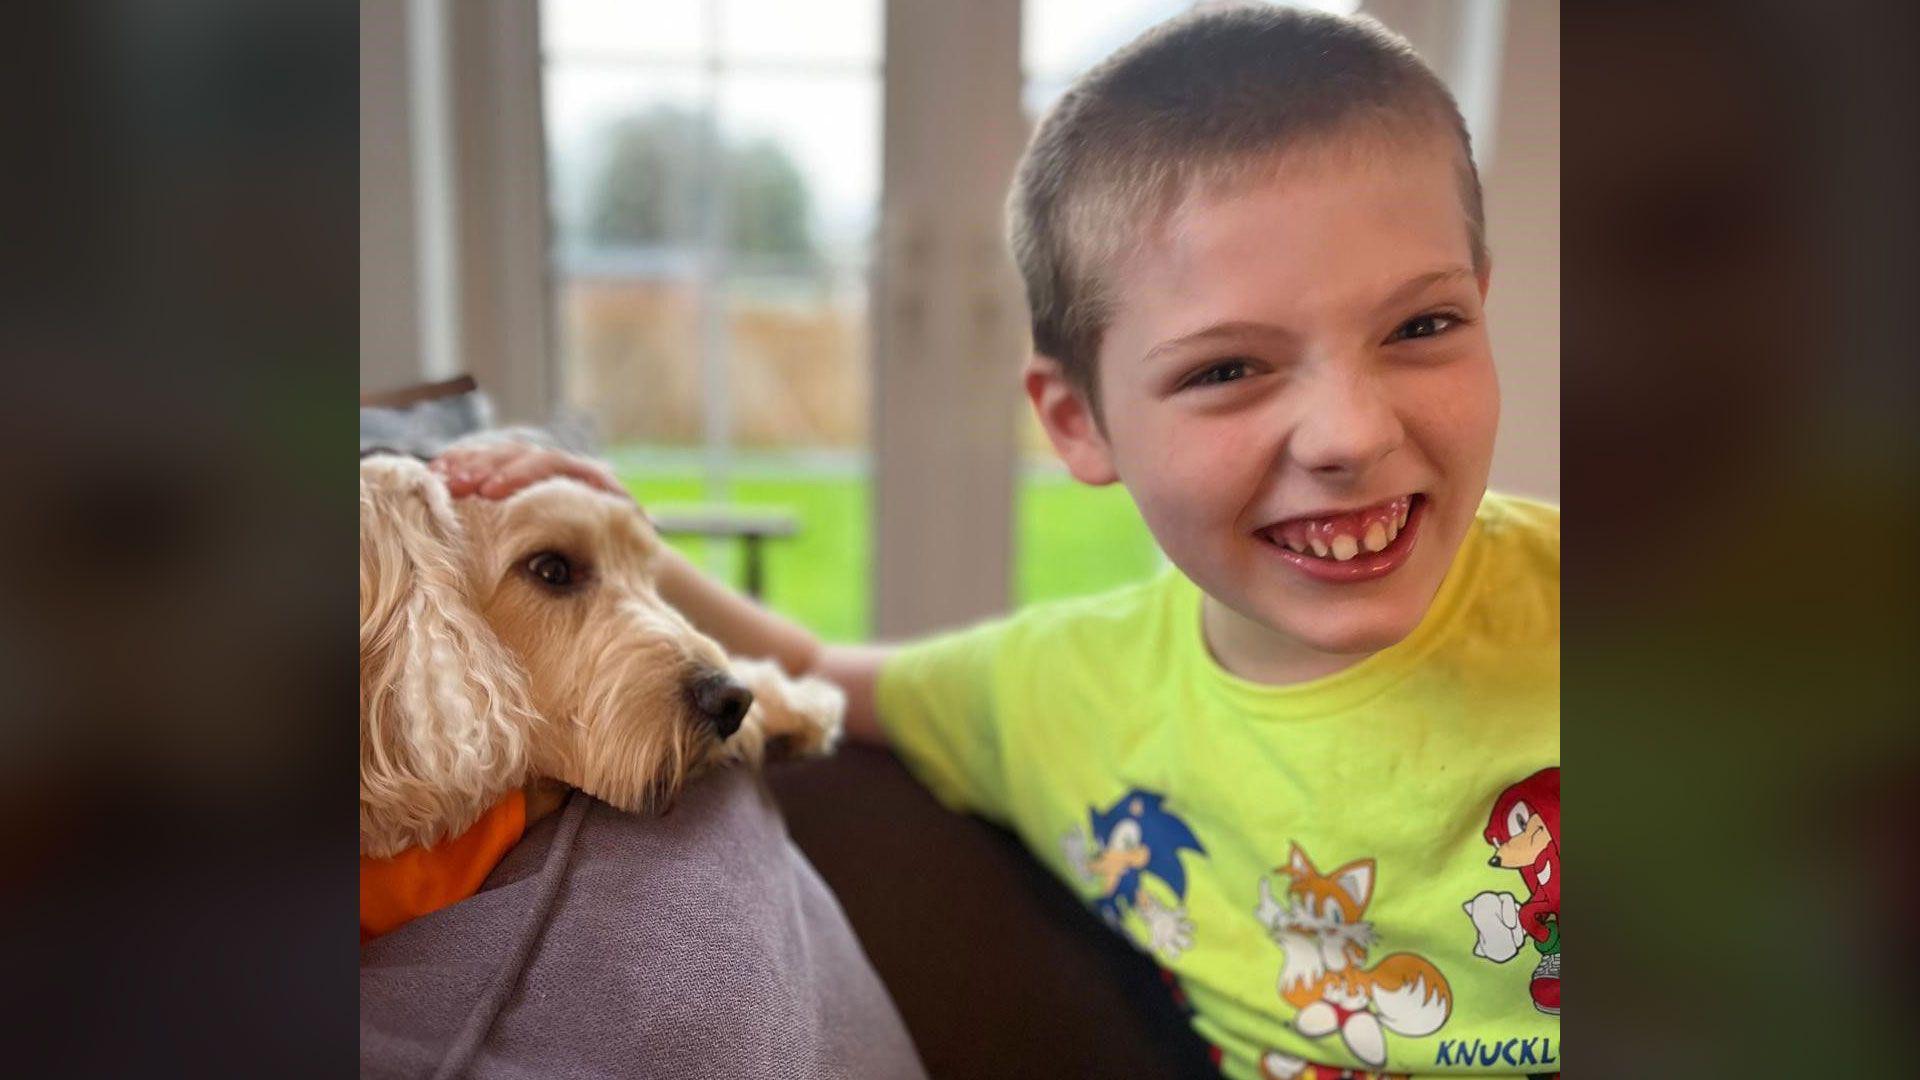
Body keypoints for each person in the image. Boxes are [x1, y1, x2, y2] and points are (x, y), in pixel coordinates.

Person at [433, 7, 1558, 1077]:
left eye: (1423, 326)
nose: (1354, 435)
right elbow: (817, 674)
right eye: (1229, 369)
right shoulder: (1065, 690)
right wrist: (621, 533)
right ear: (1079, 420)